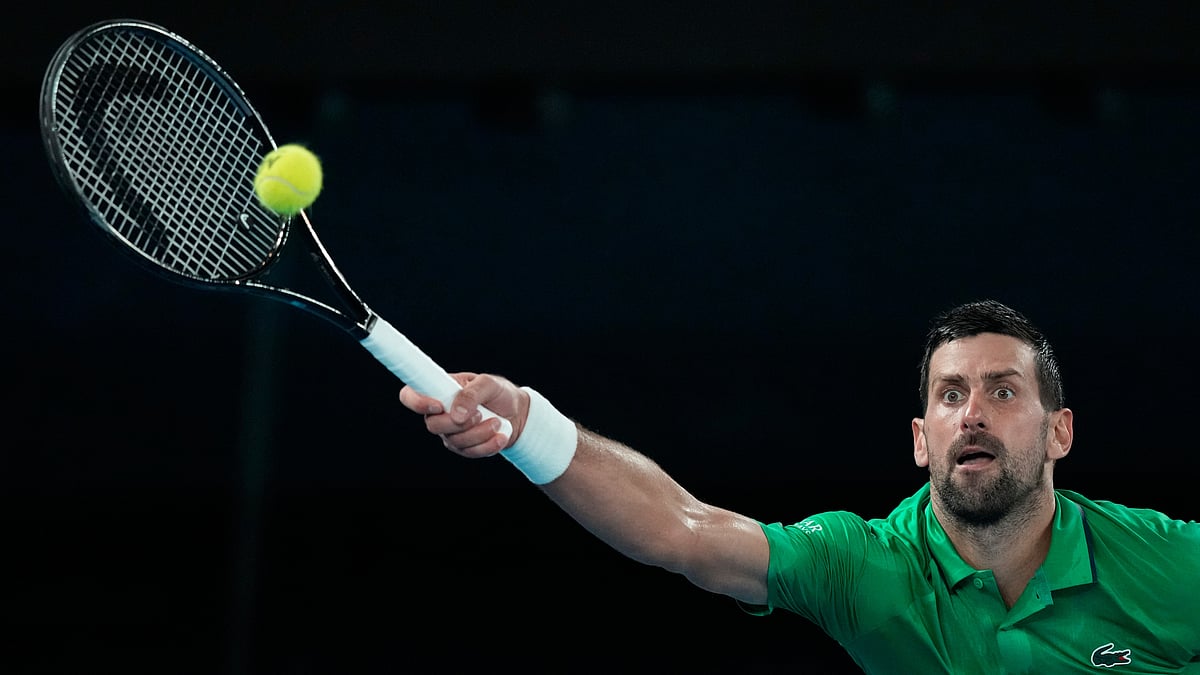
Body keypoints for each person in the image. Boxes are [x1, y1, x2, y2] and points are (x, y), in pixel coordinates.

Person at [398, 299, 1200, 673]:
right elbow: (682, 530)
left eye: (1002, 390)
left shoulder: (1169, 563)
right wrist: (528, 422)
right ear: (922, 441)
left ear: (1059, 430)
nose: (973, 414)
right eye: (950, 394)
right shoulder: (863, 566)